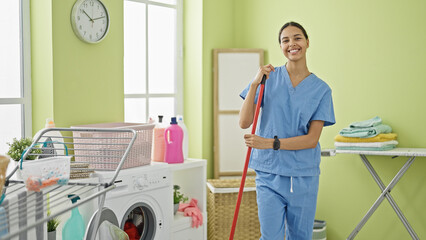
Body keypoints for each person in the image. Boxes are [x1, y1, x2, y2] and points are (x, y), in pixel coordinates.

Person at [239, 21, 335, 240]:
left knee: (300, 237)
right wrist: (254, 84)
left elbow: (312, 140)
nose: (292, 43)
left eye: (297, 38)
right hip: (268, 174)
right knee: (270, 237)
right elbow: (244, 122)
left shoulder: (321, 90)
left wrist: (270, 143)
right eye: (285, 40)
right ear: (280, 46)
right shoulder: (267, 80)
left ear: (307, 42)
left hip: (302, 176)